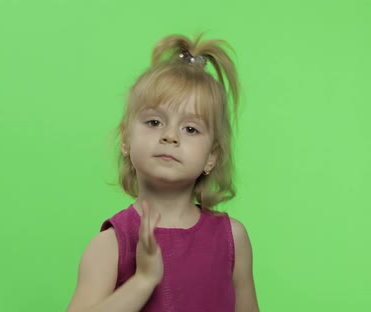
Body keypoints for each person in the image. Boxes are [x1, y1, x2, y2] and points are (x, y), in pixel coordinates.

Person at [67, 33, 259, 312]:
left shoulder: (233, 239)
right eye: (155, 122)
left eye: (190, 129)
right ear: (125, 138)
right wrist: (143, 281)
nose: (170, 136)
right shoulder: (111, 244)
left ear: (211, 157)